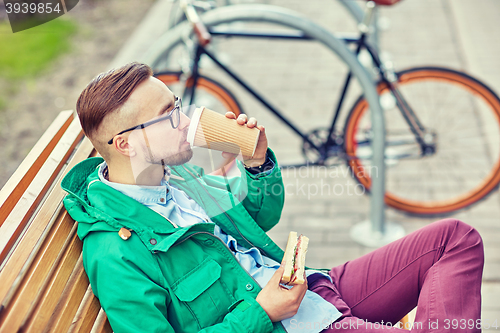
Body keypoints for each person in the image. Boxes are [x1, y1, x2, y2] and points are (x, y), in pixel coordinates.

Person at [61, 62, 484, 333]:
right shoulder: (115, 253)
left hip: (314, 288)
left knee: (456, 240)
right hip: (294, 323)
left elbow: (257, 218)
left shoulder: (176, 175)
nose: (186, 122)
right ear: (125, 144)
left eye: (179, 106)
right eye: (169, 116)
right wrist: (262, 314)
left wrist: (258, 160)